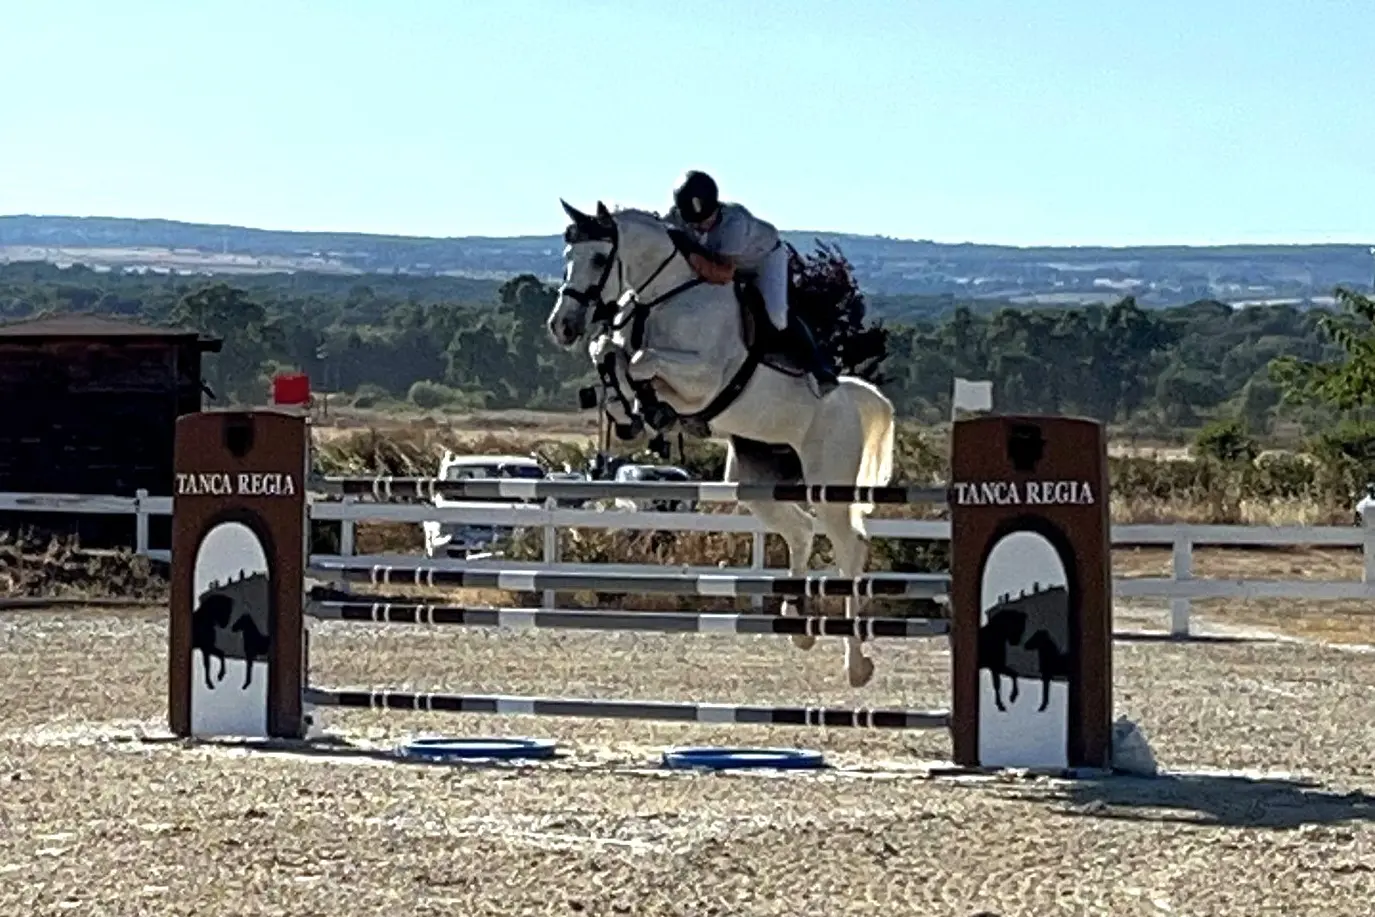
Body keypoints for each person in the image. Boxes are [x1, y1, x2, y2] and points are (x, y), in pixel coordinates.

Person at [668, 170, 837, 387]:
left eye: (705, 220)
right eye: (693, 222)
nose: (700, 227)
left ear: (716, 207)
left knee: (776, 315)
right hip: (721, 262)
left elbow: (723, 274)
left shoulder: (734, 222)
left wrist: (690, 252)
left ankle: (819, 368)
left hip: (763, 259)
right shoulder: (677, 217)